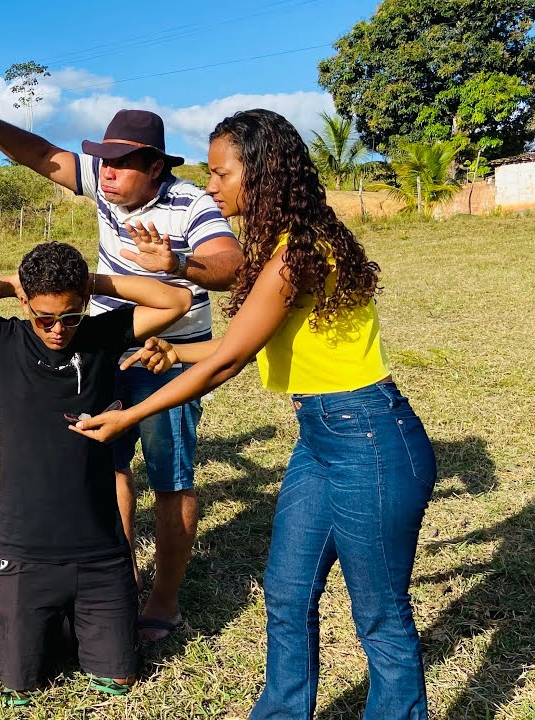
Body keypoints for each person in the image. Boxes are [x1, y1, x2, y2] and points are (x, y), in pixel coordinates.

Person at [71, 109, 437, 719]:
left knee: (379, 615)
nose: (211, 186)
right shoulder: (284, 247)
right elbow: (239, 341)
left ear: (261, 172)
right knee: (287, 593)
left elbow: (230, 361)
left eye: (222, 173)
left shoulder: (297, 253)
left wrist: (129, 417)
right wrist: (175, 350)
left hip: (369, 438)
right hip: (320, 440)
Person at [0, 64, 243, 641]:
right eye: (103, 161)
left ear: (156, 168)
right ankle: (120, 573)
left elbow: (230, 265)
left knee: (170, 478)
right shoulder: (107, 183)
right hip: (103, 348)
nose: (106, 172)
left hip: (169, 355)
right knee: (108, 463)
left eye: (121, 163)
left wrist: (177, 264)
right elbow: (42, 155)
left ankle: (163, 601)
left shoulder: (191, 205)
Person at [0, 241, 192, 706]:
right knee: (21, 684)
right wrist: (8, 284)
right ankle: (55, 623)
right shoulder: (0, 339)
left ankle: (75, 621)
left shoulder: (101, 334)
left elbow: (176, 300)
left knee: (119, 678)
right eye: (45, 318)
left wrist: (90, 283)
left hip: (101, 552)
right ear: (26, 303)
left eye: (70, 316)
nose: (58, 330)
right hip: (26, 551)